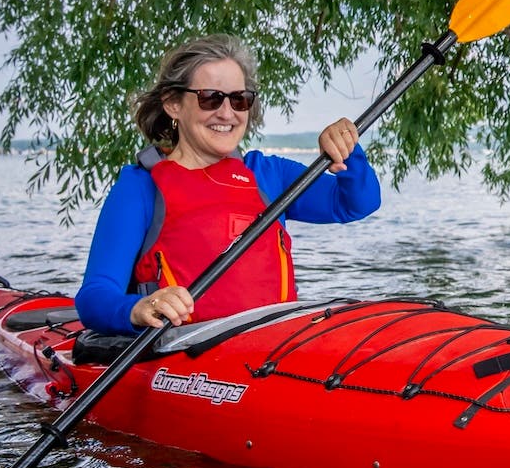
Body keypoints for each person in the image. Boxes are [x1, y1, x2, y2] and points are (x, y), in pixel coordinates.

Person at [74, 35, 380, 334]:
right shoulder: (141, 187)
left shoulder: (268, 175)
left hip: (273, 352)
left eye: (239, 99)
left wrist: (348, 150)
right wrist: (140, 308)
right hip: (184, 360)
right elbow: (95, 297)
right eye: (210, 98)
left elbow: (355, 203)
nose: (227, 112)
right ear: (173, 104)